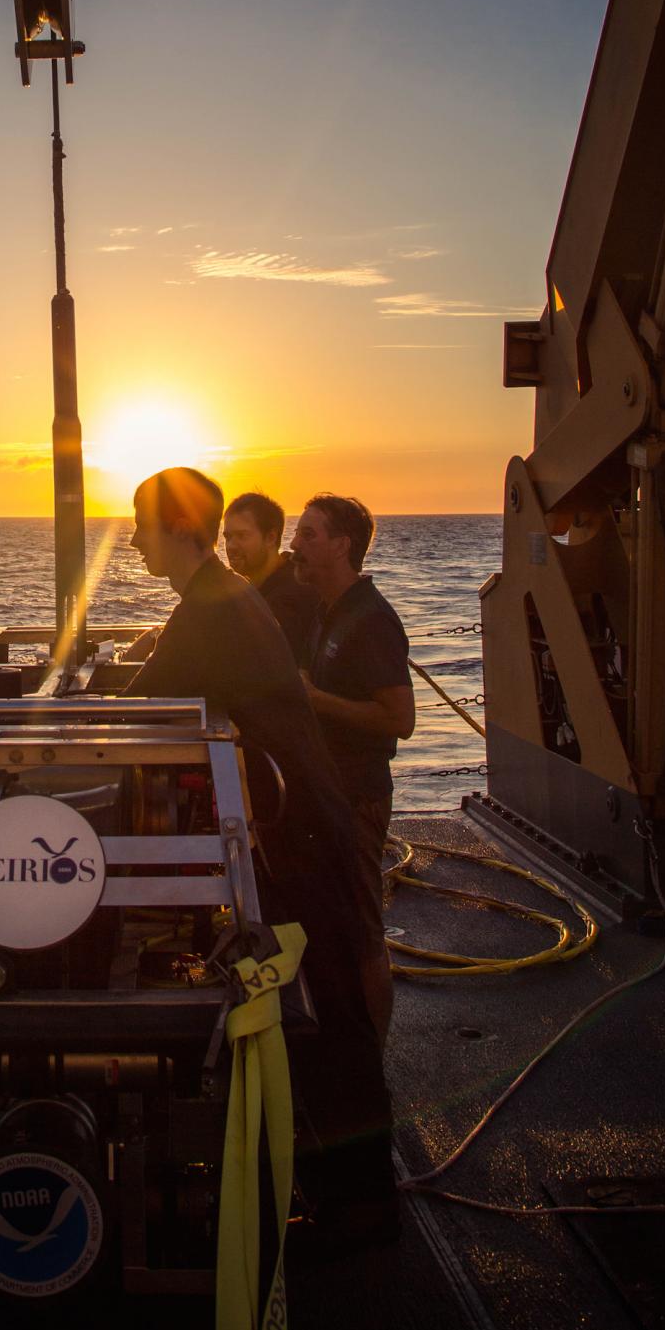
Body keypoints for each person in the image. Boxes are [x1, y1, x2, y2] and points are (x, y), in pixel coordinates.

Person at [125, 467, 397, 1255]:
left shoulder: (209, 607)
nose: (135, 538)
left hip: (304, 834)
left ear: (177, 530)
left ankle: (362, 1219)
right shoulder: (217, 596)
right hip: (305, 822)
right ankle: (347, 1202)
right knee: (327, 1019)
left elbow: (142, 713)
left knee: (330, 1025)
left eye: (141, 524)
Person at [290, 492, 414, 1042]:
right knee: (331, 922)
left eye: (309, 534)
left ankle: (373, 1059)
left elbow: (400, 718)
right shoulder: (327, 612)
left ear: (342, 546)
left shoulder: (371, 620)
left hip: (359, 796)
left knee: (363, 928)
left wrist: (317, 701)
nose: (295, 542)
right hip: (328, 793)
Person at [222, 489, 320, 663]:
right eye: (227, 537)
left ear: (271, 537)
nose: (231, 546)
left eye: (241, 536)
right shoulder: (254, 590)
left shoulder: (290, 599)